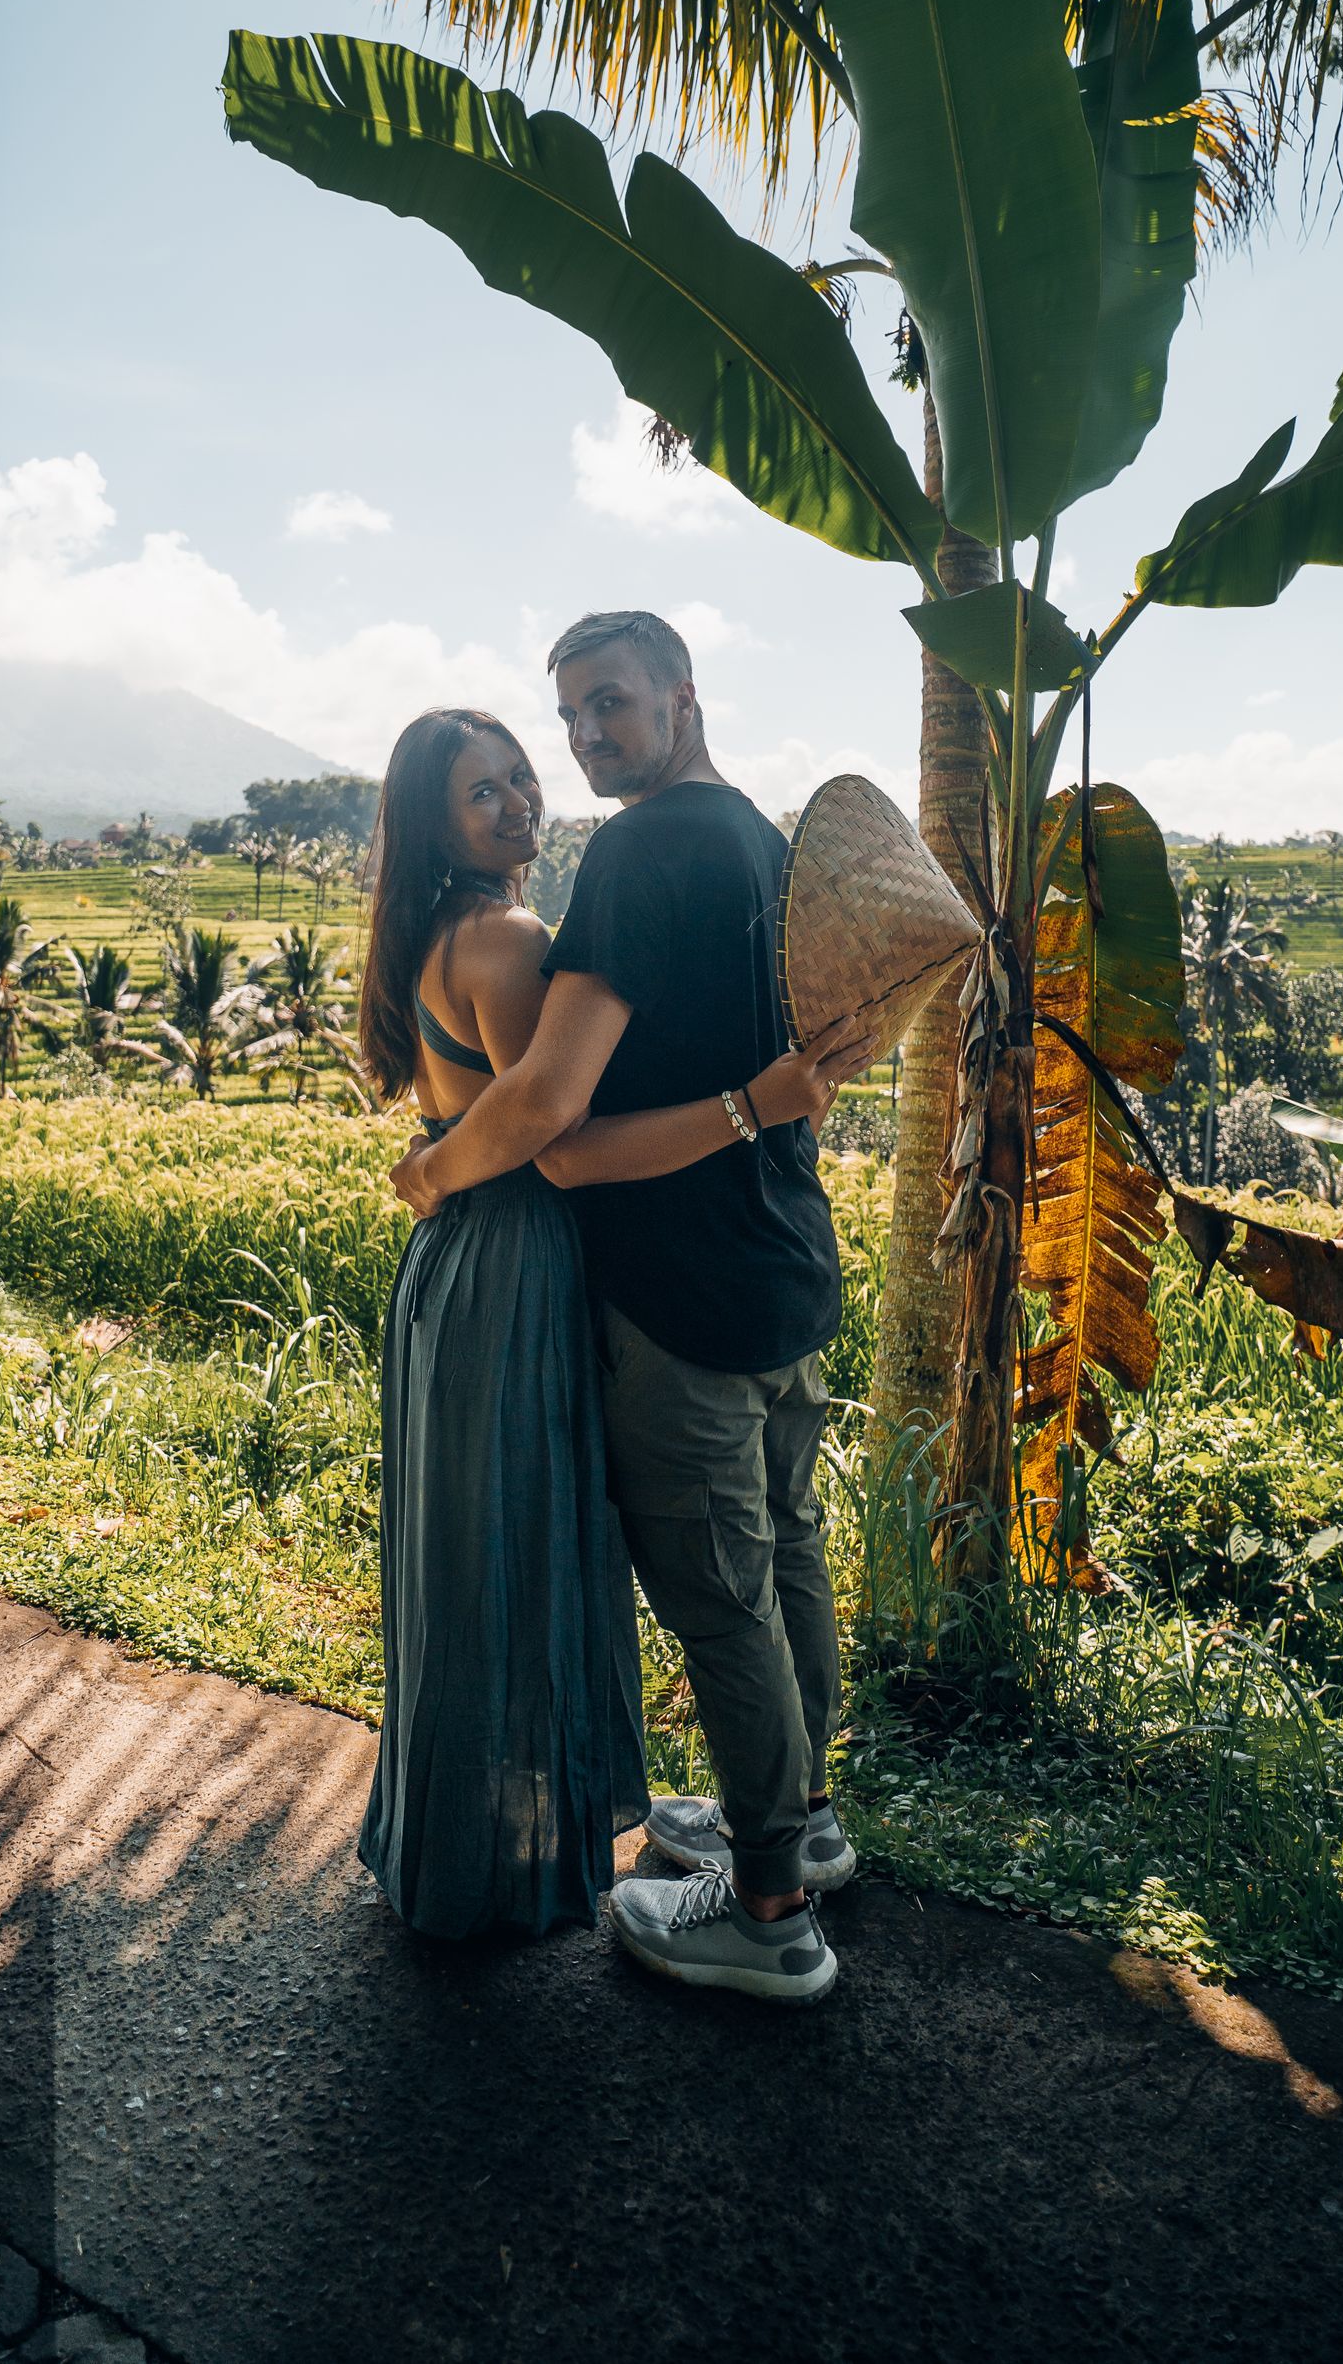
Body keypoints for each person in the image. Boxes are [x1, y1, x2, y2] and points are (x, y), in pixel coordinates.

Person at [390, 618, 872, 2004]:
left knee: (721, 1602)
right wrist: (755, 1112)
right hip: (786, 1266)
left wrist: (432, 1169)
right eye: (571, 715)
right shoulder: (760, 843)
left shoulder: (644, 849)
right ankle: (805, 1827)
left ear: (681, 697)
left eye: (610, 705)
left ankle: (771, 1907)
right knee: (786, 1560)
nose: (587, 738)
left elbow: (550, 1116)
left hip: (683, 1291)